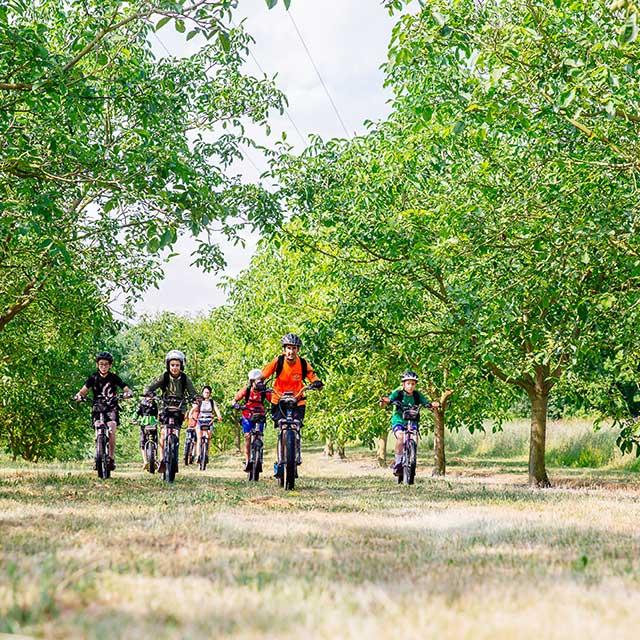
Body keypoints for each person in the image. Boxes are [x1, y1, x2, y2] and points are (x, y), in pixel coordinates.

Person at [261, 333, 324, 476]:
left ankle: (295, 457)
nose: (291, 351)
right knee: (282, 427)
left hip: (297, 399)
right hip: (279, 399)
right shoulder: (278, 361)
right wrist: (259, 383)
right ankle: (280, 461)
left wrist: (316, 382)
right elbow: (264, 374)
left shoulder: (302, 363)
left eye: (294, 348)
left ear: (298, 350)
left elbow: (311, 375)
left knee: (296, 427)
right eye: (288, 348)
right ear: (284, 349)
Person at [75, 351, 132, 471]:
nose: (103, 366)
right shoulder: (93, 377)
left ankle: (111, 458)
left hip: (111, 407)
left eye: (106, 364)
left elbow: (125, 388)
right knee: (97, 427)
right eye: (101, 364)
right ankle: (98, 455)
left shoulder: (114, 377)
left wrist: (127, 393)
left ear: (110, 365)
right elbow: (83, 391)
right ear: (97, 365)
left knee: (111, 429)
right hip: (97, 407)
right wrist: (79, 396)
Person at [144, 349, 196, 473]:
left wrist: (196, 397)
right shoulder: (164, 376)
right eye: (172, 365)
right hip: (165, 406)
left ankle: (174, 458)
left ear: (181, 365)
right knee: (163, 432)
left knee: (176, 433)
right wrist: (149, 392)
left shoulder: (184, 378)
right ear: (168, 365)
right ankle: (162, 459)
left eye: (177, 365)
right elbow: (151, 386)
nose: (175, 368)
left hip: (179, 407)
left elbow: (192, 391)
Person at [380, 370, 439, 476]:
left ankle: (411, 462)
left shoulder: (417, 395)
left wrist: (432, 405)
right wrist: (385, 401)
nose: (410, 386)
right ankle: (398, 462)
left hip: (412, 421)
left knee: (414, 438)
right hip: (399, 420)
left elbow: (426, 403)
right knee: (401, 437)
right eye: (408, 383)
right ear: (403, 384)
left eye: (413, 384)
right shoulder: (398, 393)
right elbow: (388, 400)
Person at [233, 369, 272, 472]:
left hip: (260, 414)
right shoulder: (246, 390)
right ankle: (247, 460)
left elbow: (273, 400)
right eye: (257, 381)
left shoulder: (264, 391)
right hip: (247, 415)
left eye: (261, 381)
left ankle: (259, 457)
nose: (260, 383)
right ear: (252, 381)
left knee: (259, 435)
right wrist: (235, 405)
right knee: (247, 436)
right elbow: (235, 399)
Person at [196, 385, 222, 465]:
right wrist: (190, 414)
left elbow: (216, 409)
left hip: (209, 421)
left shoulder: (212, 402)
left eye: (208, 392)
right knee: (199, 438)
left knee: (209, 437)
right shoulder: (199, 401)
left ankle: (206, 454)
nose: (206, 394)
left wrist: (219, 416)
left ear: (210, 394)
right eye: (205, 392)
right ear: (202, 393)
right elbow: (195, 408)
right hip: (200, 420)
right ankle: (198, 455)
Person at [136, 393, 159, 470]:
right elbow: (136, 413)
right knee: (142, 442)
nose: (150, 399)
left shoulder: (155, 405)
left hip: (153, 424)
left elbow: (159, 414)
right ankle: (145, 461)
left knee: (155, 441)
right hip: (144, 424)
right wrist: (134, 419)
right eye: (149, 397)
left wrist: (160, 420)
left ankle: (155, 458)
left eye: (152, 397)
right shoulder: (142, 405)